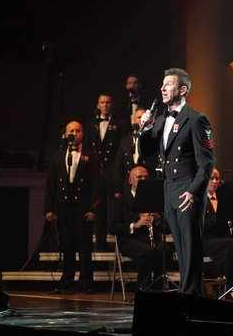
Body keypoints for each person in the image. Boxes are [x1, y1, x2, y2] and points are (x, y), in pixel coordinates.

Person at [137, 67, 214, 297]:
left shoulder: (196, 119)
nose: (162, 88)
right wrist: (147, 127)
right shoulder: (161, 120)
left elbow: (207, 162)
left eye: (168, 84)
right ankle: (192, 296)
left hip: (187, 187)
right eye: (162, 84)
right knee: (181, 248)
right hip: (169, 188)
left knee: (191, 247)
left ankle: (190, 297)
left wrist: (195, 191)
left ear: (183, 89)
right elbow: (145, 152)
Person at [44, 120, 103, 294]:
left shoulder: (92, 156)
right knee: (67, 244)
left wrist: (94, 209)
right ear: (65, 134)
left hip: (83, 207)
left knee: (84, 245)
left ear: (83, 134)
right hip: (64, 207)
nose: (74, 134)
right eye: (71, 131)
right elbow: (50, 186)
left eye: (78, 130)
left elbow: (97, 185)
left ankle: (86, 281)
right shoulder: (57, 157)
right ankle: (67, 281)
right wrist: (48, 209)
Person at [109, 166, 169, 292]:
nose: (143, 180)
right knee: (147, 252)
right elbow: (113, 227)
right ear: (130, 181)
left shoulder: (154, 199)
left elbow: (165, 228)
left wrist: (158, 219)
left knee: (165, 250)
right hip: (129, 240)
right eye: (139, 177)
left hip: (149, 238)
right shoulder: (120, 201)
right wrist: (135, 225)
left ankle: (157, 288)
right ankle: (142, 288)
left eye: (145, 177)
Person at [87, 93, 125, 250]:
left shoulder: (120, 123)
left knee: (113, 205)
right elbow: (88, 147)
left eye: (108, 102)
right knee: (97, 205)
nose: (105, 105)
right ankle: (100, 243)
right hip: (96, 169)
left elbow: (122, 148)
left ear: (112, 105)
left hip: (112, 168)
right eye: (102, 102)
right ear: (98, 105)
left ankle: (117, 242)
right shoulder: (91, 124)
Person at [203, 168, 233, 299]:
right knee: (230, 245)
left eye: (217, 179)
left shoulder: (223, 198)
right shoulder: (199, 200)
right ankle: (232, 286)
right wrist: (217, 219)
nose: (215, 182)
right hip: (206, 240)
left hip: (222, 238)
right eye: (211, 178)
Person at [111, 107, 162, 197]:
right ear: (134, 120)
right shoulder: (125, 141)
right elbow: (119, 166)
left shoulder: (152, 139)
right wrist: (117, 189)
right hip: (128, 185)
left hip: (147, 183)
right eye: (139, 117)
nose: (141, 119)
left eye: (143, 117)